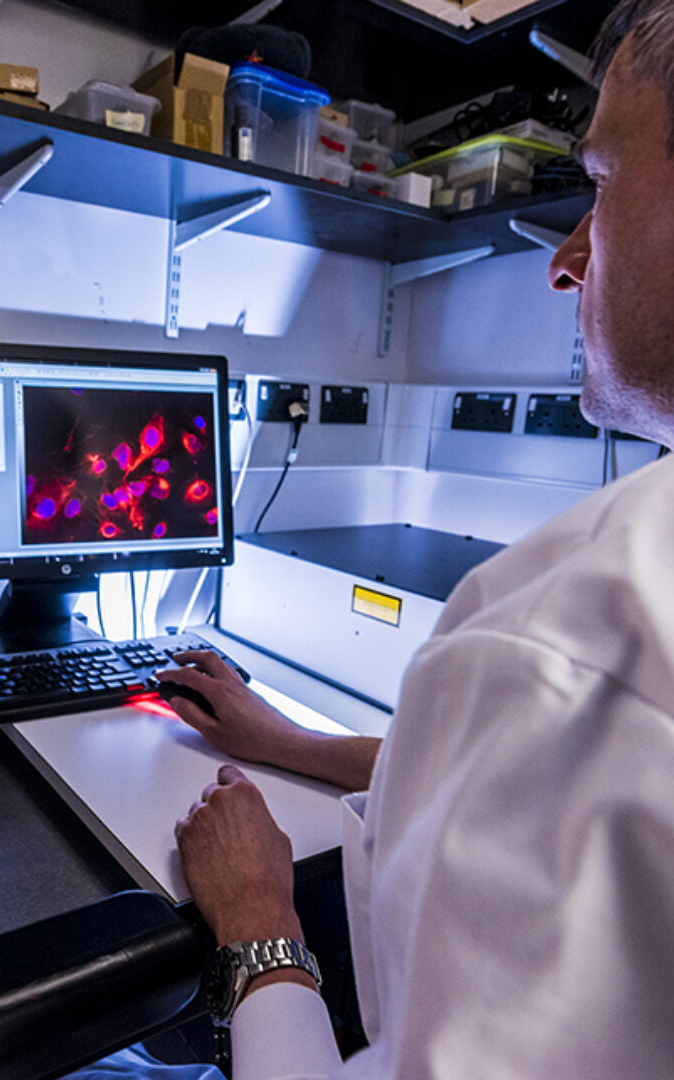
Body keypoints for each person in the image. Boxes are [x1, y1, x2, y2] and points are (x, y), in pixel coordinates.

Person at [144, 2, 674, 1077]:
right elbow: (523, 771)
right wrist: (281, 740)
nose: (565, 261)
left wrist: (258, 928)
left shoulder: (574, 635)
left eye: (604, 186)